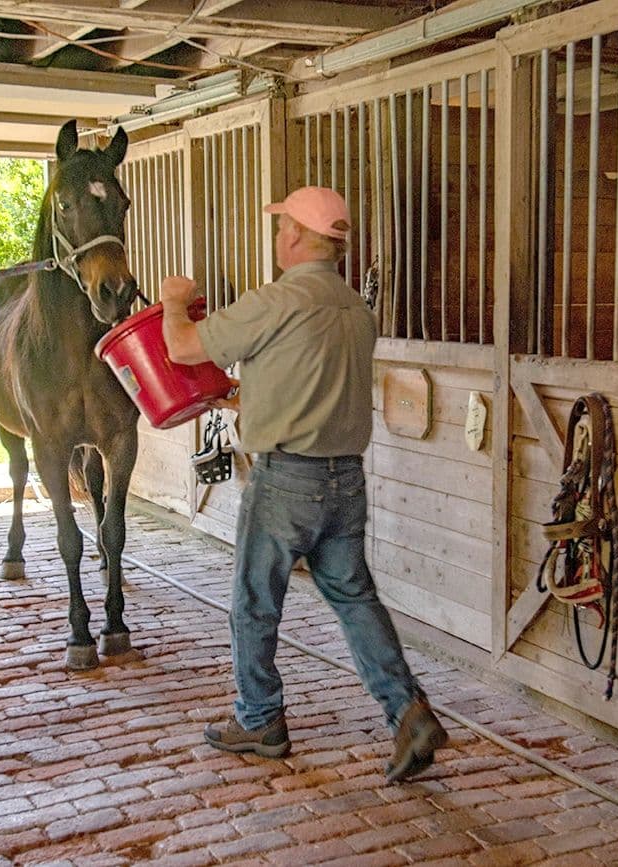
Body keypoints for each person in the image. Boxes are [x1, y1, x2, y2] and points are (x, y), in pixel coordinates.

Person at [159, 185, 447, 783]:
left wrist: (174, 301)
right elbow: (306, 382)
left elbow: (183, 347)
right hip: (347, 481)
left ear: (292, 235)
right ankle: (408, 710)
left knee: (253, 602)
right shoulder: (355, 310)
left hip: (287, 480)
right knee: (353, 597)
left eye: (279, 228)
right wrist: (251, 397)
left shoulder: (277, 301)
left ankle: (260, 717)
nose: (276, 238)